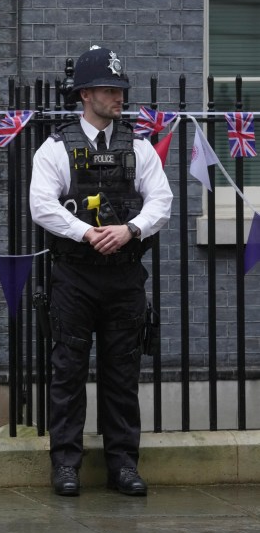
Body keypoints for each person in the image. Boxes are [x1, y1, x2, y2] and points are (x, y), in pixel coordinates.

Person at [29, 47, 173, 497]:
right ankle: (66, 465)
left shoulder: (140, 146)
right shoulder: (55, 147)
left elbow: (162, 201)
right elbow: (40, 204)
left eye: (120, 90)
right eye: (110, 90)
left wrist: (130, 230)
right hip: (74, 275)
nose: (119, 98)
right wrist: (86, 233)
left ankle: (123, 466)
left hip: (125, 276)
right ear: (86, 94)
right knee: (68, 370)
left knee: (122, 372)